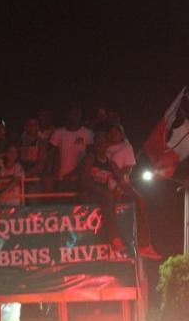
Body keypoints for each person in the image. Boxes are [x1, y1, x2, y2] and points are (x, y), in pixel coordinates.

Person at [104, 122, 161, 260]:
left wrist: (118, 186)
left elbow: (126, 171)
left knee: (141, 204)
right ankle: (122, 241)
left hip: (121, 186)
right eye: (110, 132)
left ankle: (145, 244)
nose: (113, 134)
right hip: (107, 186)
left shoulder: (126, 147)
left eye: (116, 131)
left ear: (121, 133)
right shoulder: (104, 147)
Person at [80, 130, 123, 254]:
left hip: (104, 195)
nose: (100, 144)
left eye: (103, 142)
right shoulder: (89, 159)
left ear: (107, 145)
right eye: (97, 142)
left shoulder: (110, 163)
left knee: (116, 199)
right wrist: (104, 192)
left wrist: (118, 189)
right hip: (89, 193)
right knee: (108, 198)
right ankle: (114, 237)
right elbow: (84, 182)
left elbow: (120, 180)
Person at [45, 106, 93, 193]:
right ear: (68, 115)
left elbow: (90, 157)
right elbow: (50, 155)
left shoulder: (88, 133)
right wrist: (49, 173)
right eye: (73, 113)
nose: (75, 116)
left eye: (78, 114)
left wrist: (75, 173)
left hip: (81, 179)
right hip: (61, 178)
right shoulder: (58, 132)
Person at [19, 118, 47, 201]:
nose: (32, 127)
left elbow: (41, 165)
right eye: (30, 125)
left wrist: (25, 175)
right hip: (20, 181)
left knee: (33, 207)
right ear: (25, 127)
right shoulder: (20, 142)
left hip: (34, 180)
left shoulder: (41, 143)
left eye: (35, 125)